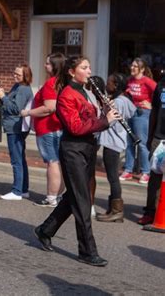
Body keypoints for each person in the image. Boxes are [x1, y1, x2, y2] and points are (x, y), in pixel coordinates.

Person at [34, 56, 121, 267]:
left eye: (89, 66)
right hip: (73, 149)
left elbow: (91, 118)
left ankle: (45, 229)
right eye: (84, 67)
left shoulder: (88, 91)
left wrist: (106, 111)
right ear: (72, 72)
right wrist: (104, 121)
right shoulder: (66, 95)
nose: (89, 71)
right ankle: (87, 251)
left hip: (89, 148)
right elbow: (76, 127)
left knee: (73, 196)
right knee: (82, 201)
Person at [21, 53, 66, 207]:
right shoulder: (62, 82)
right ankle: (58, 196)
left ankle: (51, 197)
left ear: (55, 66)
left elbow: (49, 108)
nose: (45, 65)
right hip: (58, 127)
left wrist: (28, 112)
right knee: (59, 163)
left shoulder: (51, 83)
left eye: (48, 63)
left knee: (52, 163)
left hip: (48, 128)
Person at [95, 73, 136, 223]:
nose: (107, 85)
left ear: (116, 85)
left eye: (110, 83)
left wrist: (104, 111)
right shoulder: (125, 100)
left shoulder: (118, 102)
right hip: (117, 141)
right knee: (112, 176)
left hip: (112, 141)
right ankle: (112, 209)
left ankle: (117, 211)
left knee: (113, 178)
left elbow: (109, 122)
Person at [0, 64, 34, 200]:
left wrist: (3, 97)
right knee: (20, 158)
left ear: (26, 76)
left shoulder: (23, 89)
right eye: (14, 73)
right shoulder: (18, 86)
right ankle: (23, 189)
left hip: (16, 127)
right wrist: (4, 97)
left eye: (18, 74)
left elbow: (16, 109)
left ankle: (17, 191)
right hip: (14, 126)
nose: (15, 76)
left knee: (16, 159)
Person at [120, 58, 157, 184]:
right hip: (130, 112)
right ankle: (128, 169)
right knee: (129, 142)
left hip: (142, 114)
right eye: (132, 65)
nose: (132, 68)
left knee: (141, 143)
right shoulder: (129, 80)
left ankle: (145, 171)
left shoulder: (147, 81)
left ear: (142, 69)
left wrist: (151, 105)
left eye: (135, 66)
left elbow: (159, 93)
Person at [139, 75, 165, 225]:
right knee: (154, 178)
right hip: (158, 137)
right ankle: (150, 211)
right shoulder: (161, 84)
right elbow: (154, 111)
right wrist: (150, 137)